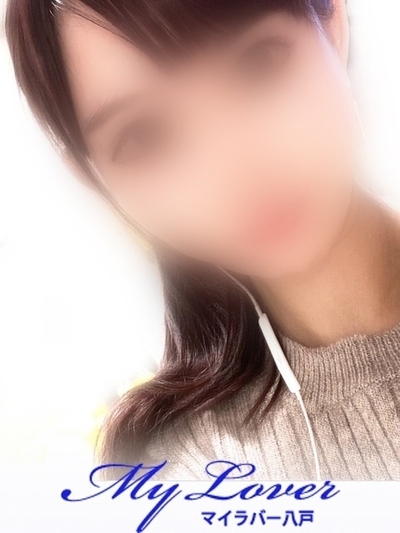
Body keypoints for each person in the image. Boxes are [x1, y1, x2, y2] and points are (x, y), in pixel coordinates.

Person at [5, 0, 400, 480]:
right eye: (145, 134)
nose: (234, 166)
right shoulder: (170, 470)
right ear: (96, 180)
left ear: (332, 23)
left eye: (257, 62)